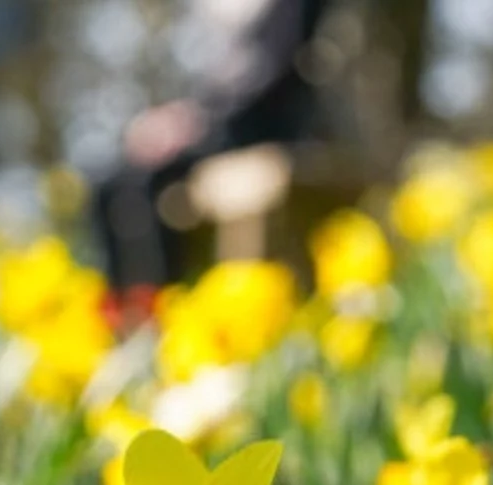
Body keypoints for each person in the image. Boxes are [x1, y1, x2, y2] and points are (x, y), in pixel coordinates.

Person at [92, 0, 332, 308]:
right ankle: (118, 313)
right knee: (106, 184)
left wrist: (196, 123)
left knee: (146, 183)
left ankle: (160, 309)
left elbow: (271, 76)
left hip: (257, 125)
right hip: (217, 118)